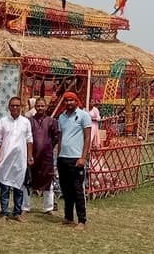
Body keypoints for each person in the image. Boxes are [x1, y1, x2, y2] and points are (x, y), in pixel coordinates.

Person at [0, 97, 33, 221]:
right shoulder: (3, 122)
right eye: (13, 105)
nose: (15, 108)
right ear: (9, 107)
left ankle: (17, 213)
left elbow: (29, 140)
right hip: (5, 159)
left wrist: (30, 156)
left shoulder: (26, 122)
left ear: (21, 107)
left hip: (20, 159)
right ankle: (4, 212)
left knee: (18, 186)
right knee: (4, 187)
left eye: (17, 105)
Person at [55, 91, 91, 229]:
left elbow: (87, 137)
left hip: (76, 158)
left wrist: (83, 157)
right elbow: (60, 137)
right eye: (66, 100)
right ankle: (68, 217)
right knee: (66, 190)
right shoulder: (61, 117)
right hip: (63, 157)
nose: (69, 103)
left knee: (77, 190)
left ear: (76, 101)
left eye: (71, 100)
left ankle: (82, 220)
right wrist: (58, 156)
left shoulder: (83, 116)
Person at [24, 97, 60, 214]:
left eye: (42, 106)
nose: (40, 108)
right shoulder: (29, 121)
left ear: (46, 107)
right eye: (38, 106)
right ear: (35, 107)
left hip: (46, 157)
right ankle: (25, 206)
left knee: (48, 180)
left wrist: (48, 146)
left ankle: (48, 207)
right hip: (32, 156)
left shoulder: (51, 121)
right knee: (28, 180)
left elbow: (56, 137)